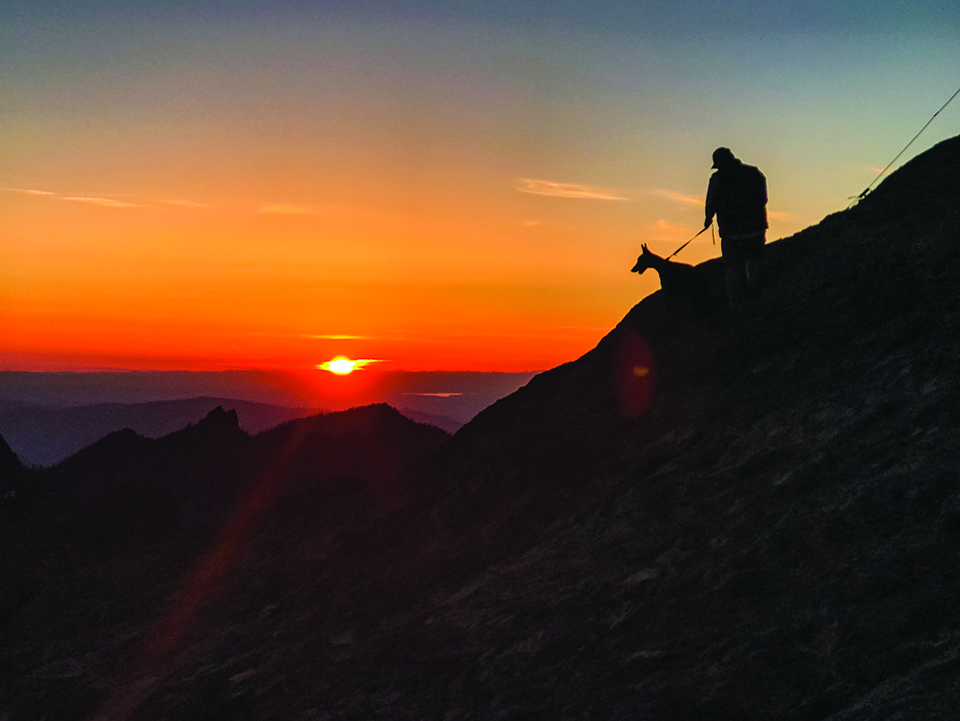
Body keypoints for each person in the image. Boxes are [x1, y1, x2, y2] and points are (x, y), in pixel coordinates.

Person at [704, 147, 768, 309]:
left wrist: (708, 219)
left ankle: (737, 304)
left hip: (731, 233)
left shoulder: (717, 179)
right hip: (756, 229)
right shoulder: (753, 173)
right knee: (755, 263)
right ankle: (757, 298)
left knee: (733, 268)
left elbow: (711, 203)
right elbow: (763, 198)